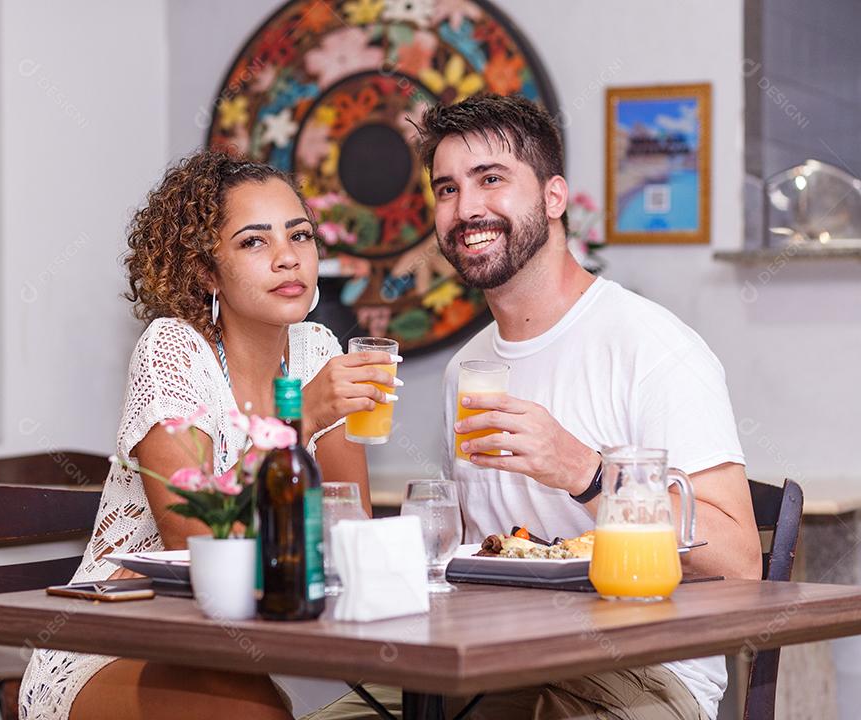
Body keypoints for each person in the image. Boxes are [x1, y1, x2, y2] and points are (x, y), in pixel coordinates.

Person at [307, 94, 761, 720]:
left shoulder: (652, 347)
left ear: (553, 198)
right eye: (446, 189)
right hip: (489, 660)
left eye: (491, 179)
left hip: (636, 670)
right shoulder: (468, 369)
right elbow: (472, 554)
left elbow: (740, 562)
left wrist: (585, 471)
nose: (467, 209)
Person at [19, 150, 397, 720]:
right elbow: (196, 543)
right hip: (124, 636)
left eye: (299, 235)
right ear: (205, 270)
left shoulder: (319, 352)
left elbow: (350, 526)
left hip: (265, 633)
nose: (287, 258)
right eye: (254, 242)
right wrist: (302, 420)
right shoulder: (173, 352)